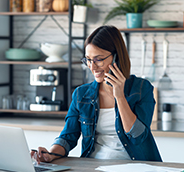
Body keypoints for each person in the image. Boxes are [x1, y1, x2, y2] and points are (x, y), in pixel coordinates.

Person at [31, 25, 162, 163]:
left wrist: (120, 96)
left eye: (98, 59)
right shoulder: (81, 94)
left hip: (136, 168)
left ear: (116, 57)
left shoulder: (142, 88)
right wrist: (50, 154)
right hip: (94, 169)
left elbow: (137, 136)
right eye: (88, 59)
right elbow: (68, 137)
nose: (92, 67)